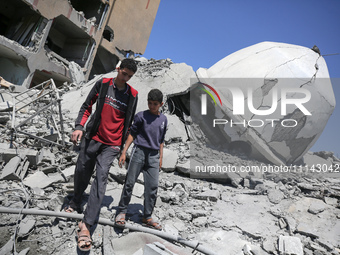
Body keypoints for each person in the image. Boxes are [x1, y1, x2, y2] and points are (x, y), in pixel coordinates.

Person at [64, 58, 138, 251]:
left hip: (112, 144)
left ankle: (87, 225)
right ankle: (76, 199)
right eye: (124, 74)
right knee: (82, 168)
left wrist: (123, 147)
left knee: (102, 176)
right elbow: (87, 106)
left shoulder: (133, 94)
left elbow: (129, 121)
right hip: (93, 136)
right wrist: (79, 126)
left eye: (130, 76)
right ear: (118, 69)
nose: (126, 78)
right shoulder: (103, 83)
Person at [115, 88, 167, 230]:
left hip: (154, 156)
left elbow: (161, 140)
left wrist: (161, 157)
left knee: (152, 187)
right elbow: (132, 134)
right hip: (139, 153)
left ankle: (147, 216)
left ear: (161, 104)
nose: (151, 106)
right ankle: (121, 211)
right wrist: (124, 152)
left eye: (155, 104)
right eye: (149, 103)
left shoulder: (163, 120)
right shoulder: (140, 116)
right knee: (129, 183)